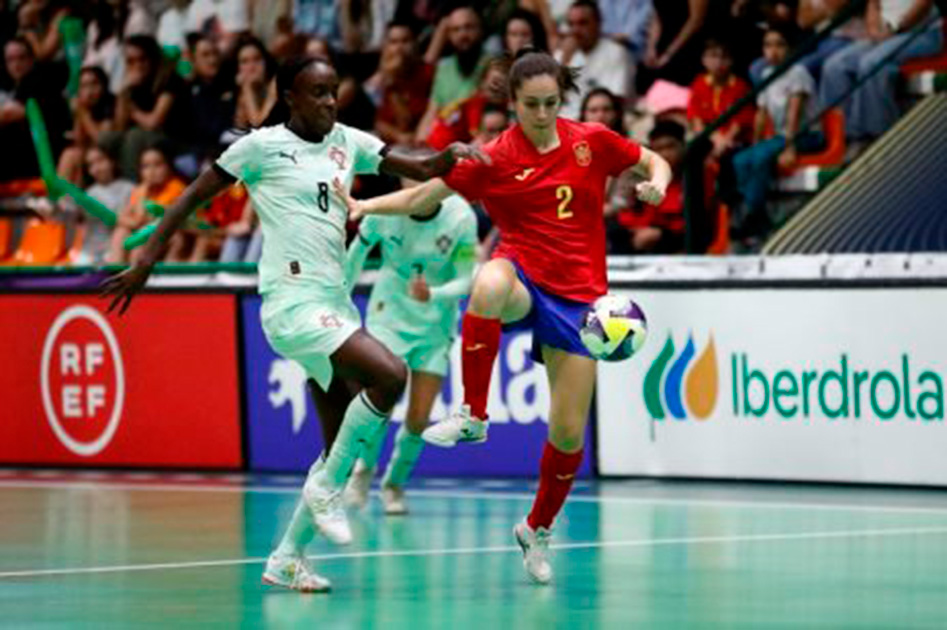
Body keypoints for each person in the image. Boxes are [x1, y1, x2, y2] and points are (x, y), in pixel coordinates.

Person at [100, 55, 486, 593]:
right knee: (391, 375)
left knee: (339, 448)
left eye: (333, 91)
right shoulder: (259, 148)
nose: (330, 101)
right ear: (289, 97)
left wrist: (450, 156)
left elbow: (418, 169)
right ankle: (326, 491)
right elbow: (190, 198)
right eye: (318, 92)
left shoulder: (348, 140)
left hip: (334, 303)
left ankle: (286, 557)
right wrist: (147, 259)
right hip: (291, 303)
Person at [334, 50, 671, 585]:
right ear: (512, 102)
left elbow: (654, 160)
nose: (542, 114)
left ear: (562, 98)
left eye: (551, 103)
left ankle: (537, 528)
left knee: (567, 435)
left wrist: (659, 183)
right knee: (488, 282)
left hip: (581, 303)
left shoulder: (592, 141)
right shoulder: (492, 157)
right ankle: (474, 414)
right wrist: (364, 206)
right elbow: (424, 195)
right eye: (531, 105)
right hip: (524, 278)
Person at [343, 180, 478, 515]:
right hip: (388, 315)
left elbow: (465, 279)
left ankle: (394, 485)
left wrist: (433, 294)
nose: (415, 189)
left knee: (419, 417)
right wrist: (338, 299)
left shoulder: (461, 216)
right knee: (380, 404)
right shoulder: (383, 210)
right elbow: (356, 253)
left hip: (435, 324)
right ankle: (363, 470)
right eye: (408, 182)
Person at [731, 25, 823, 242]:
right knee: (741, 160)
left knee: (761, 158)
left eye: (779, 45)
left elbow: (794, 112)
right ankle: (757, 214)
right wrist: (755, 143)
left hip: (806, 135)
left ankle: (752, 215)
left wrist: (790, 147)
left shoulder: (797, 72)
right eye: (768, 45)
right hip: (782, 137)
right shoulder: (766, 74)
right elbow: (761, 114)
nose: (773, 51)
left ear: (790, 49)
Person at [556, 0, 634, 119]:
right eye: (571, 24)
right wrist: (565, 62)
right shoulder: (562, 55)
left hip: (599, 120)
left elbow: (615, 101)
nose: (575, 30)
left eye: (583, 23)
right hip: (565, 121)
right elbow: (551, 99)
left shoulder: (616, 52)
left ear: (598, 24)